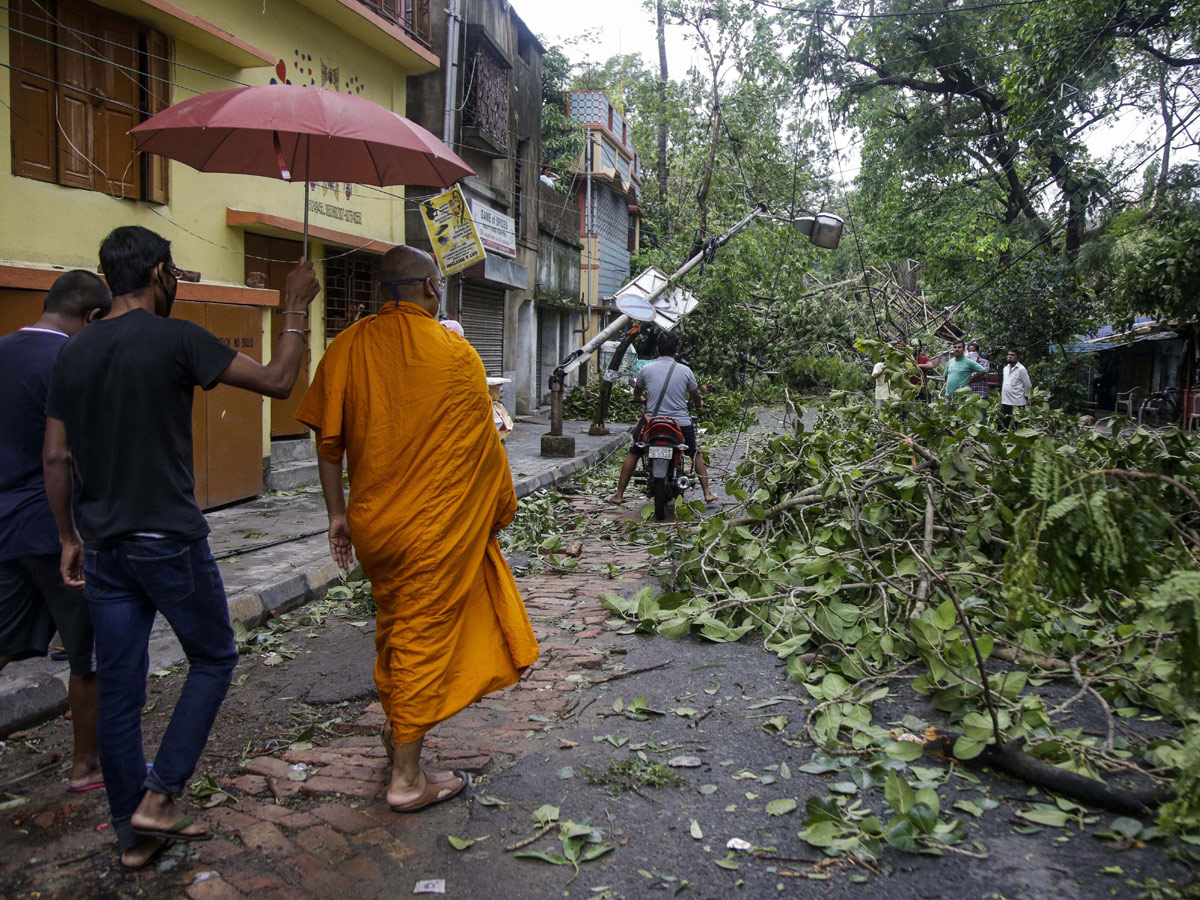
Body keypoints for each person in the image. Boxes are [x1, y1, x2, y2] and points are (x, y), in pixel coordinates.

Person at [43, 226, 319, 870]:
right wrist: (296, 305)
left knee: (120, 688)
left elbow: (56, 454)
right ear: (162, 274)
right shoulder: (179, 339)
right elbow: (280, 381)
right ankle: (162, 795)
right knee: (215, 658)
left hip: (104, 546)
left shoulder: (72, 354)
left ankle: (132, 835)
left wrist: (66, 537)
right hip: (167, 539)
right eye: (178, 276)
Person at [296, 246, 538, 813]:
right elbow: (483, 449)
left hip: (375, 525)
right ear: (430, 289)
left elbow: (327, 444)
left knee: (397, 624)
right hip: (434, 528)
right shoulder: (455, 353)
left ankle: (397, 729)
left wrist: (337, 514)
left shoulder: (347, 345)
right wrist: (496, 506)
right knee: (420, 634)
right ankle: (406, 778)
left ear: (384, 292)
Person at [0, 271, 111, 794]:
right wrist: (76, 532)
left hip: (5, 527)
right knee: (86, 650)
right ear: (91, 318)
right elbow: (67, 454)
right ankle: (86, 764)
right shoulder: (69, 362)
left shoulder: (3, 351)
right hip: (54, 527)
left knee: (3, 639)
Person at [606, 331, 718, 506]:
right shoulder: (686, 371)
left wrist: (638, 400)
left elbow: (638, 393)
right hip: (680, 424)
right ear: (676, 350)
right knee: (695, 452)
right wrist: (699, 404)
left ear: (657, 348)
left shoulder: (646, 369)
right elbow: (696, 396)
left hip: (653, 423)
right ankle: (707, 493)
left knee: (634, 451)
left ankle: (619, 495)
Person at [1000, 348, 1033, 429]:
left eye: (1012, 355)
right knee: (1001, 424)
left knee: (1014, 425)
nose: (1010, 356)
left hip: (1017, 403)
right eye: (1008, 355)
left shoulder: (1021, 369)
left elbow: (1027, 384)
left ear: (1017, 357)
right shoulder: (1006, 368)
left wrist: (1026, 395)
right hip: (1005, 402)